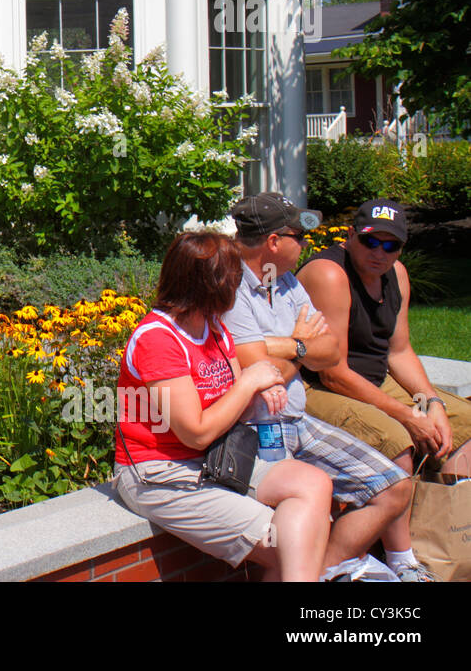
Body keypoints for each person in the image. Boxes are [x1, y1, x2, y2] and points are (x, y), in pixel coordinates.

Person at [114, 231, 333, 582]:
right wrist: (249, 382)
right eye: (234, 276)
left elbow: (234, 400)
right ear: (213, 283)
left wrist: (261, 390)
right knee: (290, 546)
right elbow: (196, 432)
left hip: (218, 456)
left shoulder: (213, 327)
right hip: (161, 473)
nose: (242, 284)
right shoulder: (158, 339)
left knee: (314, 483)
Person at [223, 193, 411, 581]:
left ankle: (326, 569)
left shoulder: (288, 281)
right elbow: (253, 369)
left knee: (394, 487)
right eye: (300, 236)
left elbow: (328, 351)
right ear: (274, 242)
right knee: (286, 531)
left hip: (297, 417)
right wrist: (298, 346)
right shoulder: (227, 288)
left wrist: (285, 345)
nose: (307, 244)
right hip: (256, 429)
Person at [299, 198, 471, 581]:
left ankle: (451, 541)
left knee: (464, 426)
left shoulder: (398, 275)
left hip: (372, 379)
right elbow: (332, 373)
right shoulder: (330, 274)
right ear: (350, 238)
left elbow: (400, 351)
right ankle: (403, 561)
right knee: (396, 441)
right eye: (370, 241)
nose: (380, 252)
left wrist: (434, 402)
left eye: (391, 245)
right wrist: (408, 415)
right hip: (317, 387)